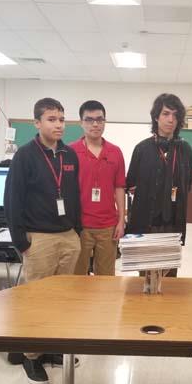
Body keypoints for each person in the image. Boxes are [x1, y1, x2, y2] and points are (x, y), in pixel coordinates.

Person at [4, 97, 81, 384]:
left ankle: (51, 347)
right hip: (39, 240)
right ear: (37, 123)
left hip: (68, 237)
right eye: (51, 119)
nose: (58, 124)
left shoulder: (69, 156)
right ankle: (31, 356)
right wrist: (21, 242)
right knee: (36, 302)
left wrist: (78, 230)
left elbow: (73, 196)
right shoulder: (25, 156)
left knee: (62, 301)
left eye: (61, 119)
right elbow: (13, 200)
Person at [126, 93, 192, 276]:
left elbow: (188, 183)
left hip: (172, 223)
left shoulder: (185, 150)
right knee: (146, 278)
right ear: (156, 117)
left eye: (175, 114)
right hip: (146, 223)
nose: (170, 119)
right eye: (165, 114)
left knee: (169, 278)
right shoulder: (142, 149)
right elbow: (130, 183)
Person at [71, 100, 125, 276]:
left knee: (106, 278)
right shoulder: (70, 151)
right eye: (89, 119)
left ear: (104, 121)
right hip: (79, 226)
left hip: (108, 226)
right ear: (81, 122)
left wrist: (121, 220)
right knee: (77, 276)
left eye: (99, 119)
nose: (95, 124)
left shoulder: (115, 152)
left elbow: (119, 187)